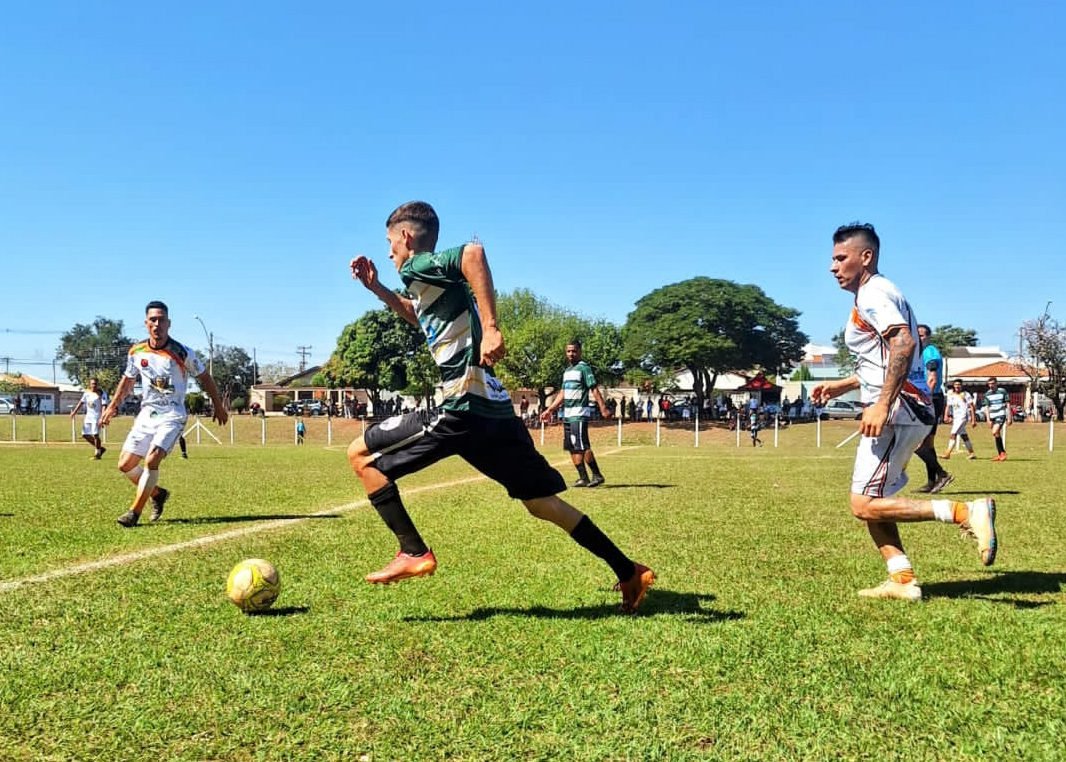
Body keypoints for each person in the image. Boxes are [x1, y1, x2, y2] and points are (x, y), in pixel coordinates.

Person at [347, 201, 654, 613]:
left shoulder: (415, 265)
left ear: (405, 237)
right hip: (494, 411)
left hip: (461, 407)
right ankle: (629, 571)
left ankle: (413, 550)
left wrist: (491, 328)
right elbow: (418, 317)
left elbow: (473, 254)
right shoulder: (428, 283)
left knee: (360, 456)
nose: (389, 253)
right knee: (541, 503)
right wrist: (377, 289)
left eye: (390, 243)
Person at [811, 222, 996, 602]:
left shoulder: (873, 294)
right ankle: (902, 578)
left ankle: (965, 511)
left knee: (864, 504)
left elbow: (903, 344)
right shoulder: (876, 293)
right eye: (832, 259)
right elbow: (885, 358)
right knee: (873, 500)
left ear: (866, 257)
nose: (833, 267)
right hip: (904, 407)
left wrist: (881, 404)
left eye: (841, 258)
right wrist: (843, 385)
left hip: (898, 410)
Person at [100, 301, 228, 527]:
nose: (157, 324)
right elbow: (127, 380)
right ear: (146, 323)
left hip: (172, 414)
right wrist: (112, 405)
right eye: (153, 320)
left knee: (152, 459)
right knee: (125, 465)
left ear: (169, 323)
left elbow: (204, 377)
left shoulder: (182, 352)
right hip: (147, 414)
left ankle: (134, 513)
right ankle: (157, 494)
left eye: (161, 320)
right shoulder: (136, 351)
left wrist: (218, 405)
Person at [540, 340, 611, 487]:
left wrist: (603, 407)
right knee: (571, 447)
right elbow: (563, 393)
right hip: (567, 414)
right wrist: (550, 409)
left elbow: (594, 389)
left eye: (574, 351)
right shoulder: (567, 372)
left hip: (579, 413)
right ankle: (583, 478)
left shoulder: (584, 368)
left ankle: (597, 475)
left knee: (582, 445)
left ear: (580, 352)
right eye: (568, 351)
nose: (571, 354)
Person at [912, 324, 953, 493]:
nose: (919, 338)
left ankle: (942, 474)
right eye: (916, 335)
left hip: (930, 399)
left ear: (928, 337)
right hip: (925, 398)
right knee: (927, 444)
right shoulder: (917, 354)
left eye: (922, 335)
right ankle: (932, 482)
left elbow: (932, 378)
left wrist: (925, 400)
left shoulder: (929, 352)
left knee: (915, 444)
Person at [70, 377, 108, 459]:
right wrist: (74, 412)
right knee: (85, 435)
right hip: (88, 417)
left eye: (95, 384)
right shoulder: (86, 393)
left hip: (97, 417)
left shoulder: (102, 393)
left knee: (95, 435)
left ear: (98, 384)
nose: (94, 385)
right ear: (90, 384)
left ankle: (97, 454)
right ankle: (100, 448)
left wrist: (102, 417)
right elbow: (81, 402)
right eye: (92, 384)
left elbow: (104, 406)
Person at [942, 379, 977, 459]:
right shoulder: (951, 394)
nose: (957, 386)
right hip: (956, 417)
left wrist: (973, 419)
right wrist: (946, 415)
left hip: (963, 416)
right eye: (956, 384)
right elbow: (948, 405)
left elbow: (972, 406)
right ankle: (971, 453)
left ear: (961, 386)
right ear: (954, 386)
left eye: (959, 385)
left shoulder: (965, 394)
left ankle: (947, 453)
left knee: (953, 433)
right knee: (963, 435)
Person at [981, 377, 1011, 461]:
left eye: (992, 384)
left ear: (996, 383)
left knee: (994, 431)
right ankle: (1001, 453)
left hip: (1001, 414)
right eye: (989, 384)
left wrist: (1009, 417)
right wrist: (988, 419)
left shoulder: (1002, 391)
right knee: (996, 434)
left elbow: (1008, 404)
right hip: (992, 416)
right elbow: (987, 407)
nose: (991, 385)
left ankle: (1002, 453)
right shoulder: (987, 394)